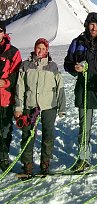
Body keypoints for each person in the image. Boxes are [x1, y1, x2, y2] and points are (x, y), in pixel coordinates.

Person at [64, 12, 97, 173]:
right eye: (90, 24)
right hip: (84, 90)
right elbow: (68, 63)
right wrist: (74, 68)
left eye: (96, 24)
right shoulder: (77, 42)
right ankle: (83, 159)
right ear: (86, 25)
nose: (93, 27)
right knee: (84, 127)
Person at [14, 38, 66, 175]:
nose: (40, 51)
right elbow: (20, 87)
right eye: (38, 48)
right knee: (28, 135)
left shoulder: (53, 66)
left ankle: (45, 163)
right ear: (34, 48)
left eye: (43, 49)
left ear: (47, 50)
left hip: (49, 105)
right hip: (30, 104)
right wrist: (18, 107)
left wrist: (62, 107)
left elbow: (60, 87)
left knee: (48, 134)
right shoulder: (25, 65)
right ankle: (27, 165)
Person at [0, 21, 22, 172]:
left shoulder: (13, 52)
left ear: (4, 33)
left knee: (5, 130)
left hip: (5, 98)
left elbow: (17, 76)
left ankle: (3, 157)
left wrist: (5, 82)